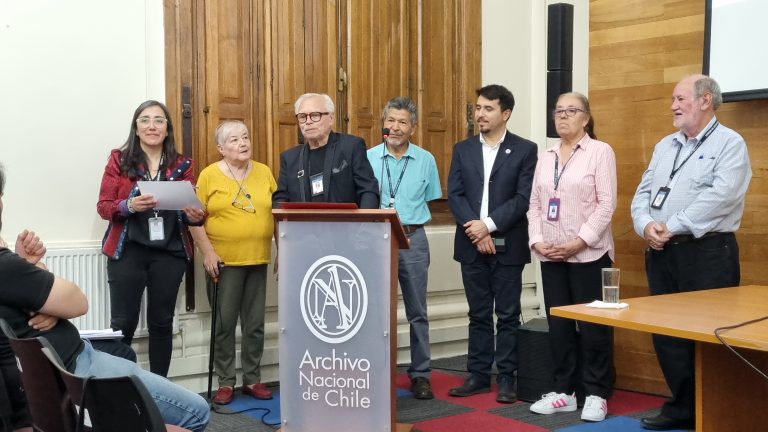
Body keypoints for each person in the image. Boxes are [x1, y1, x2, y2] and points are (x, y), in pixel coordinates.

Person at [0, 163, 210, 431]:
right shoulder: (6, 266)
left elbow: (39, 296)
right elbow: (78, 302)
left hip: (68, 363)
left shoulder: (11, 267)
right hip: (78, 366)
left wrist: (36, 278)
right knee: (198, 411)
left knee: (131, 347)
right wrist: (48, 298)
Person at [630, 75, 751, 431]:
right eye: (673, 99)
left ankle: (718, 411)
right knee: (667, 333)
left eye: (680, 99)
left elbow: (721, 197)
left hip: (708, 252)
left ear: (705, 100)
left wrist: (672, 225)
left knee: (710, 334)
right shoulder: (664, 145)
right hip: (662, 251)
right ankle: (682, 406)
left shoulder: (730, 143)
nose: (673, 106)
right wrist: (646, 225)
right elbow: (643, 193)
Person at [97, 100, 206, 377]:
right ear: (136, 128)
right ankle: (119, 389)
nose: (152, 126)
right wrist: (129, 206)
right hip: (128, 252)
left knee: (161, 323)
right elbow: (104, 206)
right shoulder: (119, 160)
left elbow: (192, 214)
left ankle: (160, 390)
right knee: (122, 324)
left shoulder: (182, 165)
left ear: (167, 129)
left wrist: (196, 215)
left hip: (169, 253)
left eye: (159, 120)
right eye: (145, 120)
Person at [527, 92, 617, 422]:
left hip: (590, 255)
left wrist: (580, 242)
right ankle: (564, 391)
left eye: (571, 110)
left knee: (594, 327)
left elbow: (607, 204)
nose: (563, 116)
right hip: (552, 255)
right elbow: (535, 205)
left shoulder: (600, 152)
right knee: (559, 325)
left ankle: (596, 394)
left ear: (586, 118)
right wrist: (537, 241)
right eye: (558, 111)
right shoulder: (546, 155)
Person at [447, 84, 538, 403]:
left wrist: (487, 226)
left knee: (509, 314)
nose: (480, 114)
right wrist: (477, 231)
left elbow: (523, 198)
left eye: (488, 108)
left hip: (508, 243)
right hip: (470, 243)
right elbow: (455, 194)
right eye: (478, 108)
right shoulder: (463, 149)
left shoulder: (525, 149)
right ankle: (478, 375)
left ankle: (508, 377)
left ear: (506, 113)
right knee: (479, 313)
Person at [189, 121, 276, 405]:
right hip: (223, 262)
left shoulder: (264, 172)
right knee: (224, 325)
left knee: (255, 324)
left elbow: (277, 214)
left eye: (245, 137)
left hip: (258, 258)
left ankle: (252, 379)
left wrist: (283, 252)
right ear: (221, 148)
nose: (243, 143)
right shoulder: (209, 175)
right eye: (234, 139)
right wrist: (208, 254)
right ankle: (226, 382)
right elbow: (194, 220)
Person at [366, 97, 442, 400]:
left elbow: (432, 197)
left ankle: (420, 375)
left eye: (402, 122)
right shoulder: (368, 158)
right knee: (375, 310)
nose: (395, 127)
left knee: (417, 311)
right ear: (383, 123)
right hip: (376, 239)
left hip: (413, 239)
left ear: (413, 128)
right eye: (391, 120)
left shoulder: (426, 160)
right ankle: (376, 372)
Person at [272, 93, 379, 208]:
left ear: (331, 118)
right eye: (302, 117)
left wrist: (364, 219)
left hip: (345, 220)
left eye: (315, 115)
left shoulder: (351, 147)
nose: (308, 121)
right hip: (304, 220)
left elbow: (368, 190)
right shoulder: (289, 158)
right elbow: (280, 200)